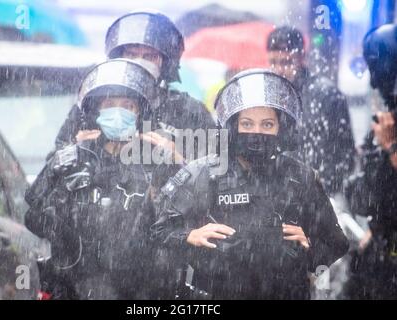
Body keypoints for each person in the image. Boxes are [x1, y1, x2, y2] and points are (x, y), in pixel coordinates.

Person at [151, 69, 349, 299]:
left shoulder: (300, 176)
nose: (257, 132)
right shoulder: (202, 173)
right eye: (247, 123)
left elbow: (337, 243)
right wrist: (189, 236)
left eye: (267, 125)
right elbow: (158, 231)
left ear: (280, 128)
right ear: (234, 127)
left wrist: (311, 249)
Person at [25, 59, 177, 299]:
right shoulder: (72, 159)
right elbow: (34, 217)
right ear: (97, 110)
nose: (118, 112)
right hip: (73, 287)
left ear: (140, 112)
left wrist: (176, 162)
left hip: (139, 291)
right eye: (110, 104)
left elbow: (182, 223)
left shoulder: (156, 162)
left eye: (128, 105)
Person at [55, 11, 215, 153]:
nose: (139, 61)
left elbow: (215, 168)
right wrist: (73, 151)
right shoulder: (92, 102)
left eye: (149, 56)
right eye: (131, 54)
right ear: (118, 56)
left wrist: (179, 161)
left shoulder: (188, 111)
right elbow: (54, 167)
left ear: (164, 63)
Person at [267, 26, 356, 195]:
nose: (278, 70)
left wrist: (318, 193)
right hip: (279, 196)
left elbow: (343, 156)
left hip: (316, 197)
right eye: (273, 62)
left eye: (286, 62)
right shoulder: (270, 96)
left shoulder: (325, 95)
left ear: (301, 58)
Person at [344, 24, 397, 299]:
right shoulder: (388, 113)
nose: (374, 81)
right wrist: (376, 234)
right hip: (382, 242)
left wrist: (391, 145)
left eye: (377, 67)